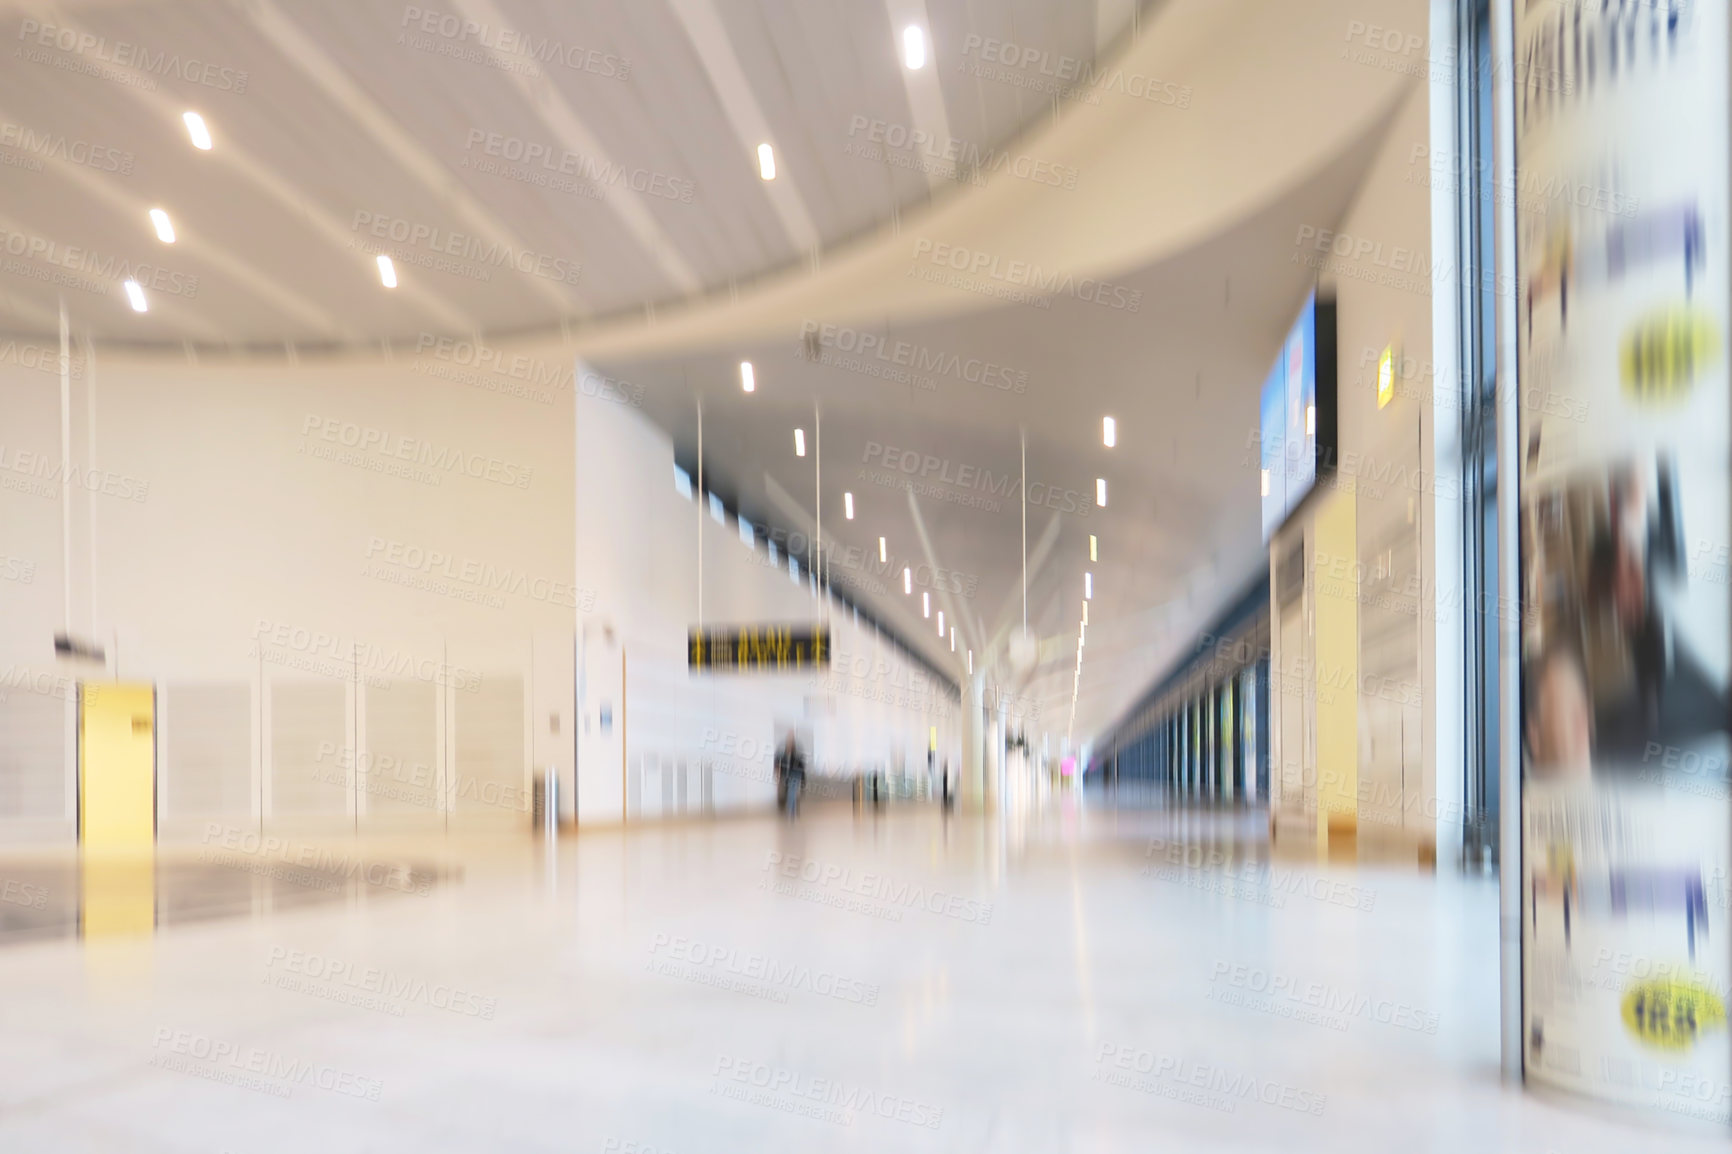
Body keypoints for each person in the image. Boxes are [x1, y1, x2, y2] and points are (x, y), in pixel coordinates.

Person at [774, 734, 806, 818]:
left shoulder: (797, 753)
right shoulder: (782, 753)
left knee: (792, 793)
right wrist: (777, 772)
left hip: (795, 774)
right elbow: (777, 762)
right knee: (787, 794)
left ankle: (792, 812)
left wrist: (803, 779)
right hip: (785, 776)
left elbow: (801, 766)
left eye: (791, 742)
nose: (790, 744)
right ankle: (790, 810)